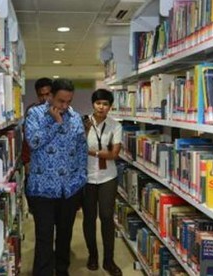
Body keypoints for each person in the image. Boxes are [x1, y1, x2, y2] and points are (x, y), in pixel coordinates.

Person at [25, 78, 87, 276]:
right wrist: (55, 123)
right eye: (61, 101)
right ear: (50, 95)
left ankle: (62, 270)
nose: (65, 106)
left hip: (68, 190)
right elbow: (33, 142)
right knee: (44, 237)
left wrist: (80, 181)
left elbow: (81, 151)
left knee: (64, 236)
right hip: (42, 189)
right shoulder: (34, 115)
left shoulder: (76, 117)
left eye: (69, 101)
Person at [82, 89, 123, 276]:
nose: (101, 107)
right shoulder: (83, 123)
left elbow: (114, 154)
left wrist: (93, 152)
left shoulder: (115, 125)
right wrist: (86, 130)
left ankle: (109, 260)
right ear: (93, 104)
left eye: (105, 104)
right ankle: (93, 256)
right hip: (87, 178)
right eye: (98, 103)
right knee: (89, 219)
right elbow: (76, 146)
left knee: (107, 218)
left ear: (110, 106)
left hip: (108, 177)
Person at [21, 78, 52, 214]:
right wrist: (27, 161)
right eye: (41, 95)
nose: (44, 98)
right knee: (38, 208)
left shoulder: (63, 112)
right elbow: (27, 140)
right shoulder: (32, 112)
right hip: (36, 166)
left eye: (48, 94)